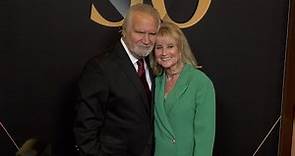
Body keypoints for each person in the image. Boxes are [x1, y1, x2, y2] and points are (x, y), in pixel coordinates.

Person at [73, 4, 161, 156]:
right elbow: (85, 129)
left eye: (152, 34)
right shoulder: (100, 68)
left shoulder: (156, 65)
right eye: (140, 32)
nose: (147, 40)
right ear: (124, 30)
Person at [150, 21, 215, 156]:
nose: (164, 53)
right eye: (158, 47)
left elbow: (205, 136)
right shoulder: (155, 82)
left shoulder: (200, 82)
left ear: (180, 49)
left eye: (170, 46)